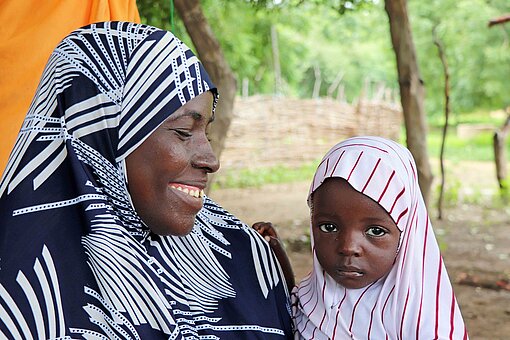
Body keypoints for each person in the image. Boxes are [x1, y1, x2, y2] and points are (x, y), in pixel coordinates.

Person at [0, 22, 292, 339]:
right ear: (103, 134)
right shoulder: (20, 282)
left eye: (205, 132)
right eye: (183, 132)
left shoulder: (245, 257)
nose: (211, 160)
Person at [255, 136, 468, 339]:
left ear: (407, 233)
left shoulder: (422, 319)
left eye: (375, 231)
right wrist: (276, 257)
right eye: (329, 227)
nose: (348, 247)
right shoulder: (312, 299)